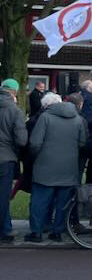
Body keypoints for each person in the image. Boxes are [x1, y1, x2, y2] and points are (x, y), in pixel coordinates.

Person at [24, 92, 83, 243]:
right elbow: (82, 143)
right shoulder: (77, 119)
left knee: (40, 201)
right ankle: (58, 231)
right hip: (69, 167)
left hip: (45, 166)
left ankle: (36, 232)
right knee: (63, 203)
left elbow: (35, 143)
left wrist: (36, 156)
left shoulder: (45, 118)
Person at [0, 79, 27, 243]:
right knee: (3, 197)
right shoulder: (14, 111)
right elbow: (21, 140)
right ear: (14, 92)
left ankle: (6, 227)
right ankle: (3, 232)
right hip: (5, 158)